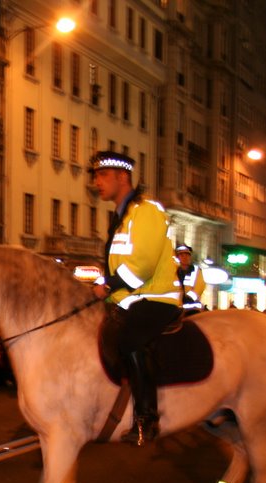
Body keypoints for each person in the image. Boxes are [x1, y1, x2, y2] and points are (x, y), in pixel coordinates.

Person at [89, 152, 181, 446]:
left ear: (123, 177)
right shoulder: (120, 217)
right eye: (95, 176)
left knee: (129, 340)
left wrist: (108, 284)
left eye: (103, 175)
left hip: (157, 298)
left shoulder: (147, 210)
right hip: (131, 300)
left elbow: (142, 265)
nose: (96, 182)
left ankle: (146, 418)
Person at [174, 244, 206, 315]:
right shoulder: (174, 271)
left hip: (193, 307)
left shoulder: (196, 270)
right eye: (182, 255)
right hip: (178, 307)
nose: (184, 257)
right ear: (178, 257)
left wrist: (189, 297)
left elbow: (200, 286)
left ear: (190, 257)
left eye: (187, 255)